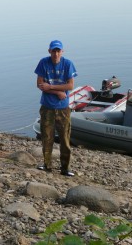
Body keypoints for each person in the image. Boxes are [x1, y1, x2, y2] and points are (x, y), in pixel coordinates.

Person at [34, 40, 78, 176]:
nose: (56, 53)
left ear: (62, 52)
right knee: (47, 137)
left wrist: (51, 87)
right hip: (47, 107)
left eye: (58, 51)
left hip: (63, 108)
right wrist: (57, 91)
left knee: (65, 138)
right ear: (49, 51)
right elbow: (40, 85)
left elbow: (70, 86)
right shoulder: (43, 62)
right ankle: (47, 165)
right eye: (54, 51)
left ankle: (65, 168)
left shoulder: (68, 64)